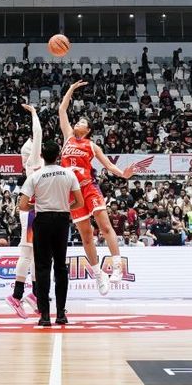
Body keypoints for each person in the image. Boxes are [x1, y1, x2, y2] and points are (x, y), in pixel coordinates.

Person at [59, 81, 135, 295]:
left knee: (105, 226)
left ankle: (117, 266)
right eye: (77, 121)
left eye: (82, 122)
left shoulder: (92, 145)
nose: (77, 123)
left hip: (88, 187)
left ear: (88, 130)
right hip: (72, 194)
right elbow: (62, 109)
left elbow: (108, 165)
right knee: (85, 236)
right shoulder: (67, 138)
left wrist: (123, 174)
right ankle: (98, 274)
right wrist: (71, 90)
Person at [19, 140, 85, 327]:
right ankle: (61, 314)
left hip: (43, 220)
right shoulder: (69, 173)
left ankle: (45, 315)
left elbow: (23, 205)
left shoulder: (35, 175)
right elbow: (79, 203)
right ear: (59, 156)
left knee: (42, 268)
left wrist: (36, 205)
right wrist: (65, 207)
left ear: (41, 156)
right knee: (61, 267)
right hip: (62, 220)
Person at [6, 103, 43, 319]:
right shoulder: (34, 158)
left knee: (36, 256)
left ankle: (35, 295)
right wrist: (34, 113)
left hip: (35, 210)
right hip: (30, 212)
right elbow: (37, 132)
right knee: (27, 254)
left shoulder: (31, 161)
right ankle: (16, 296)